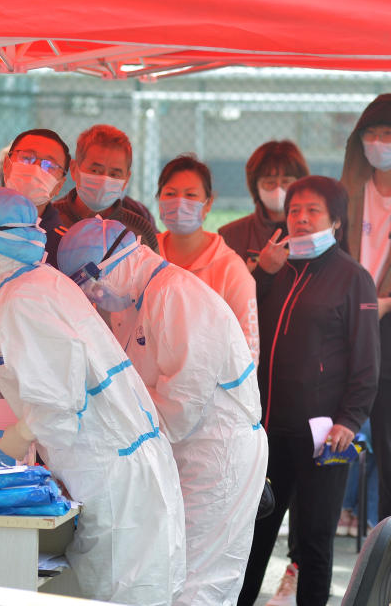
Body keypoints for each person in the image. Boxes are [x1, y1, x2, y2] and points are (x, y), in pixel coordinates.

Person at [0, 187, 186, 604]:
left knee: (123, 593)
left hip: (113, 478)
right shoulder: (32, 285)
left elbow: (57, 401)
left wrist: (23, 432)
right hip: (121, 467)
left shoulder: (24, 299)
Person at [58, 217, 267, 606]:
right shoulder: (133, 301)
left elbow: (179, 408)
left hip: (218, 454)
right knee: (172, 570)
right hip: (184, 451)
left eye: (91, 285)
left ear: (118, 261)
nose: (94, 297)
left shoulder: (178, 295)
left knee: (200, 581)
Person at [238, 176, 380, 606]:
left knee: (316, 541)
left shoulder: (353, 278)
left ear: (335, 220)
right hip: (267, 431)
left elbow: (367, 360)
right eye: (295, 209)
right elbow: (242, 323)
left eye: (313, 210)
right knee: (253, 536)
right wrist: (262, 271)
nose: (300, 218)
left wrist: (349, 420)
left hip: (323, 434)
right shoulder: (274, 268)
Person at [340, 93, 391, 523]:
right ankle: (304, 566)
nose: (379, 142)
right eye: (370, 133)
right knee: (327, 459)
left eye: (389, 133)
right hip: (341, 349)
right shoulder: (346, 197)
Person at [157, 154, 260, 362]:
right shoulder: (144, 254)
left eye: (190, 195)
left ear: (208, 203)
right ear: (159, 199)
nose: (180, 203)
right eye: (170, 193)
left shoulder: (231, 270)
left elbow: (247, 350)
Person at [53, 124, 158, 249]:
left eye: (114, 174)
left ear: (126, 180)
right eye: (95, 171)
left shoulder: (139, 231)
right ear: (74, 169)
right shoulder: (49, 220)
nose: (104, 180)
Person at [220, 140, 310, 272]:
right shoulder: (230, 236)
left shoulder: (312, 232)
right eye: (270, 182)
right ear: (255, 185)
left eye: (286, 181)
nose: (278, 189)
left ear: (300, 184)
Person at [1, 128, 70, 267]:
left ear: (59, 186)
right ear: (6, 165)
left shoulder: (65, 248)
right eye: (26, 158)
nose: (36, 169)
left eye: (49, 165)